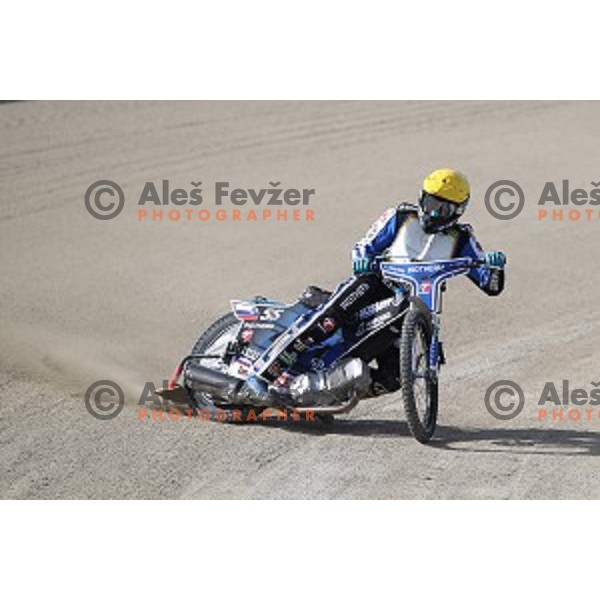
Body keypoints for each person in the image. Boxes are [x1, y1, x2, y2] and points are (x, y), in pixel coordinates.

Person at [243, 168, 506, 402]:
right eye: (430, 202)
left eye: (443, 208)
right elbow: (364, 246)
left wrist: (493, 266)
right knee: (327, 320)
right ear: (421, 197)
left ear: (459, 211)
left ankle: (331, 392)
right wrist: (362, 262)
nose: (433, 212)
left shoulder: (462, 238)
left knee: (394, 377)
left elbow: (490, 285)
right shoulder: (400, 216)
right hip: (374, 285)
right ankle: (262, 375)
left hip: (416, 305)